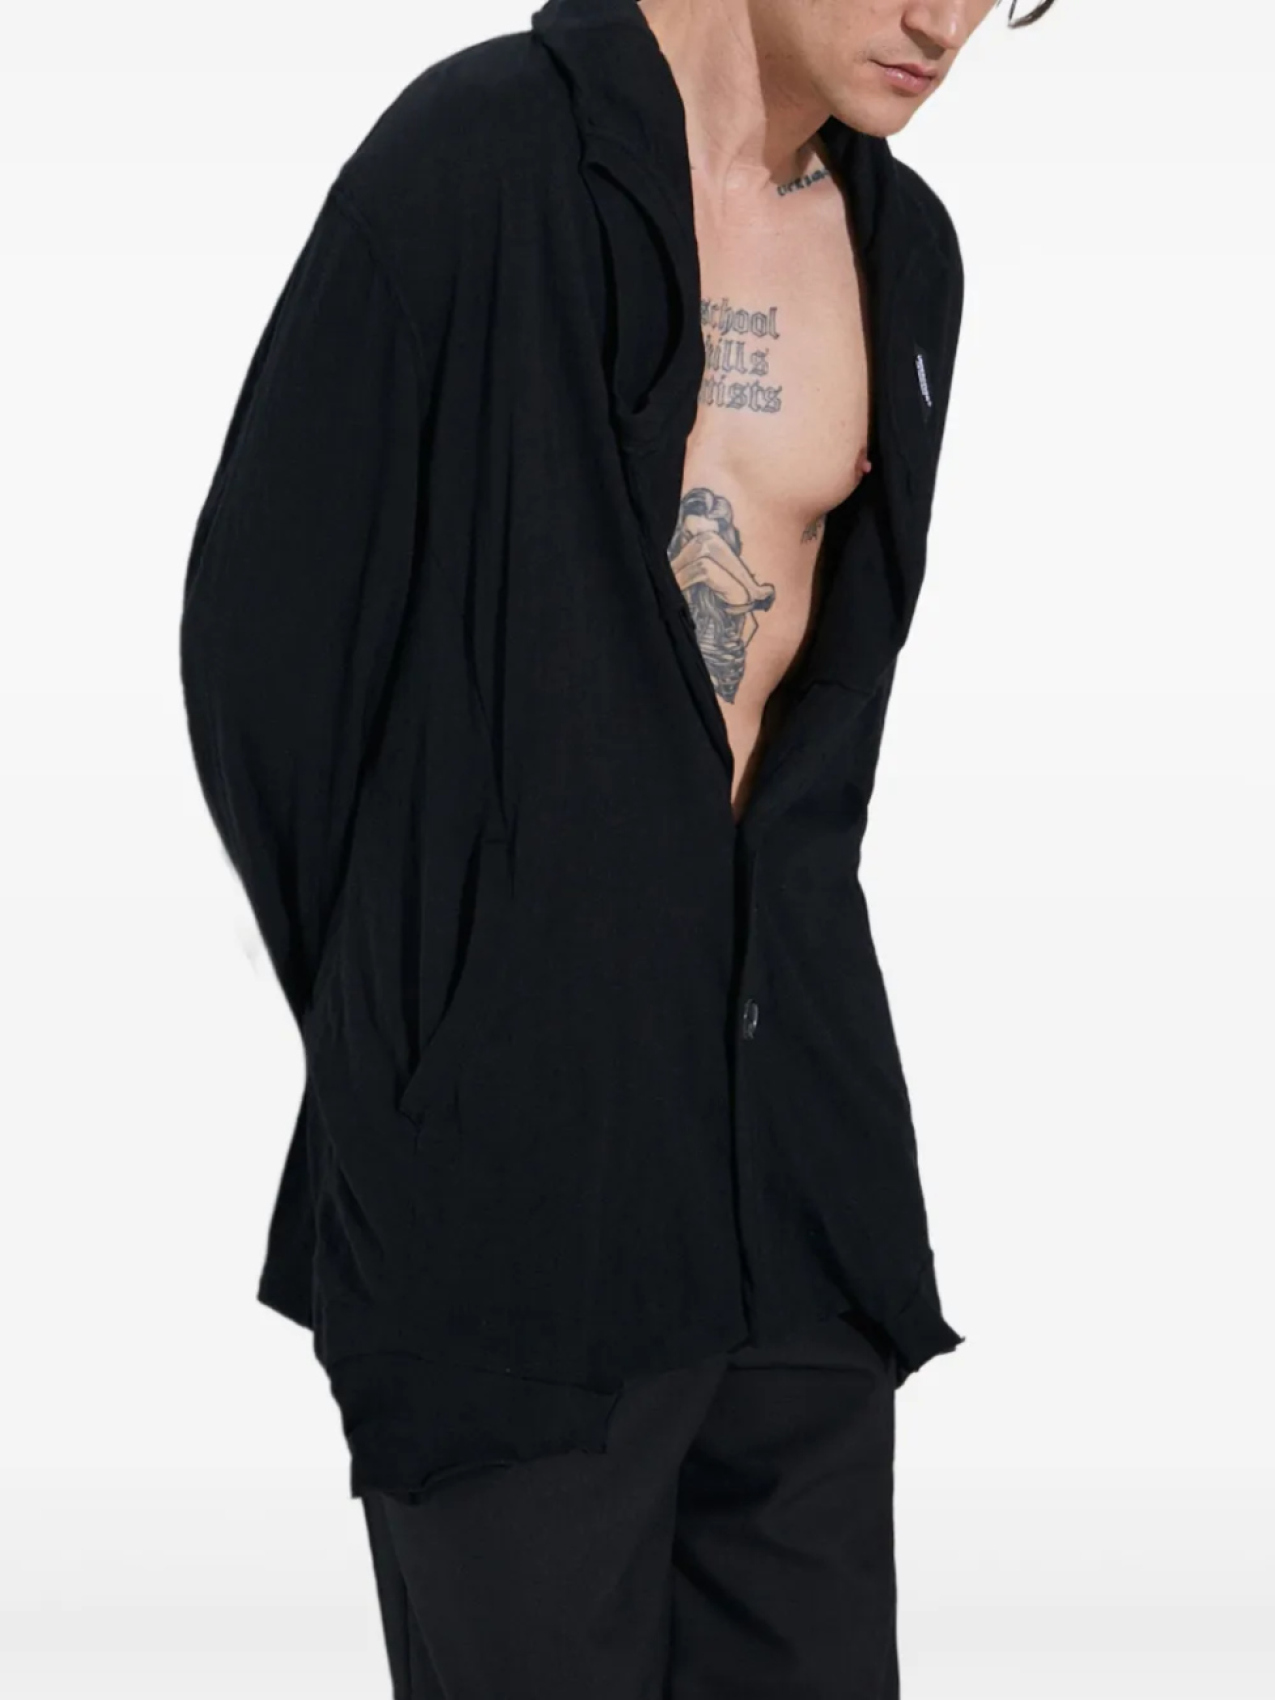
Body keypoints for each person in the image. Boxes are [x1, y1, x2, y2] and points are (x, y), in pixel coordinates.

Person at [179, 0, 1056, 1692]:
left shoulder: (908, 253)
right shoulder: (472, 166)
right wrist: (438, 1037)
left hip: (795, 1191)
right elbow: (263, 656)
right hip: (509, 1222)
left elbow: (819, 735)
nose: (945, 20)